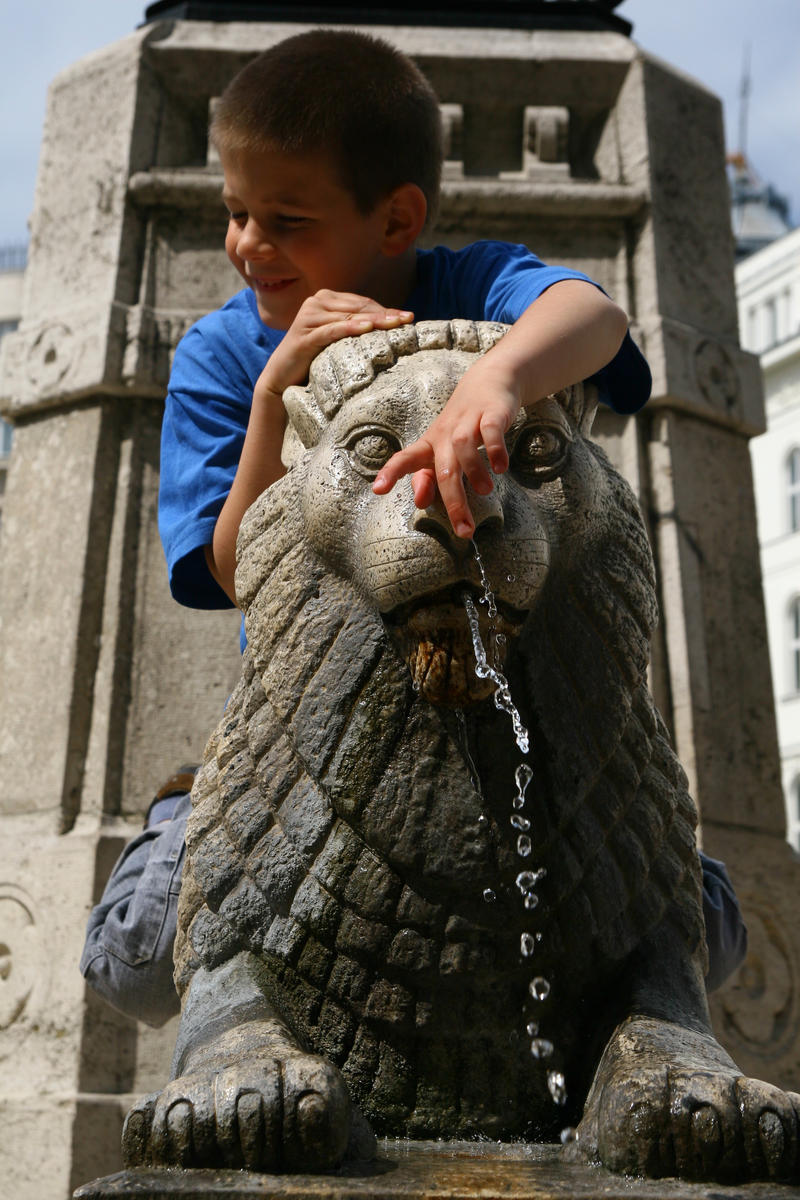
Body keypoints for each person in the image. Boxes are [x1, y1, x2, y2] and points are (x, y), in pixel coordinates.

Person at [80, 28, 746, 1025]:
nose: (247, 246)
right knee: (141, 963)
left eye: (284, 220)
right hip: (313, 718)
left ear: (395, 219)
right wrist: (272, 396)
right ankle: (184, 804)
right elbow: (230, 569)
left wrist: (499, 376)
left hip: (515, 700)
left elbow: (596, 323)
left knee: (699, 928)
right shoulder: (224, 353)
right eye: (234, 214)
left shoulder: (473, 285)